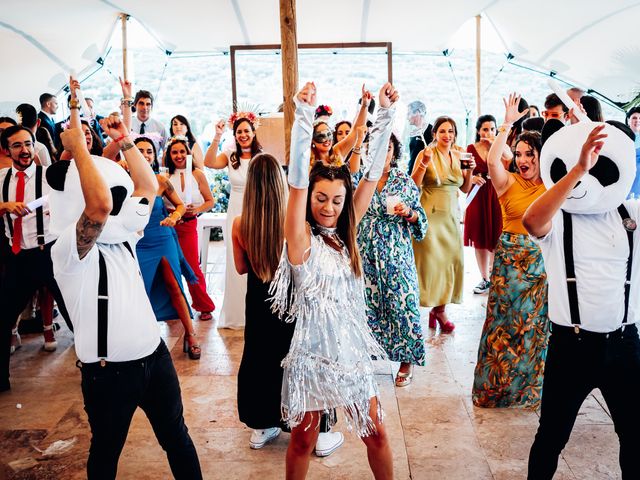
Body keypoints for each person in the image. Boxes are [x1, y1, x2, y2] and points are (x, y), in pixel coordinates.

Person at [47, 82, 202, 478]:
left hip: (155, 358)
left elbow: (148, 187)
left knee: (178, 438)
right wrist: (80, 149)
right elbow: (97, 207)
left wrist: (124, 140)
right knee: (106, 454)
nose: (119, 201)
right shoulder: (68, 249)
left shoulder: (125, 234)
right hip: (108, 373)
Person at [272, 81, 397, 479]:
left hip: (352, 356)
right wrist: (304, 117)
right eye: (321, 198)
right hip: (311, 357)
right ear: (310, 200)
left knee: (375, 433)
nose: (329, 207)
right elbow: (295, 183)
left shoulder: (347, 236)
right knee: (303, 442)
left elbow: (372, 179)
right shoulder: (301, 240)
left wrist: (385, 114)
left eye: (337, 200)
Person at [523, 117, 640, 479]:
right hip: (571, 346)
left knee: (635, 438)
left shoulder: (631, 214)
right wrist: (578, 169)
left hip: (625, 344)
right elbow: (531, 220)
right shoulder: (558, 221)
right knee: (552, 436)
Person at [232, 153, 343, 455]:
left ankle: (262, 425)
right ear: (281, 184)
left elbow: (241, 268)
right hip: (292, 301)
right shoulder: (295, 224)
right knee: (299, 360)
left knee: (259, 358)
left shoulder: (240, 224)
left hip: (259, 302)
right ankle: (317, 433)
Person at [471, 94, 549, 409]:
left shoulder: (552, 186)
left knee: (533, 329)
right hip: (509, 265)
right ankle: (494, 391)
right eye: (518, 154)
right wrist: (507, 124)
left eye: (530, 154)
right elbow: (492, 161)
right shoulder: (508, 183)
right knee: (502, 328)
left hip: (540, 264)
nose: (522, 160)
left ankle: (529, 391)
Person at [0, 125, 71, 391]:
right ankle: (1, 380)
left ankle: (97, 367)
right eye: (17, 145)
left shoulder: (48, 176)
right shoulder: (1, 179)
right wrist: (4, 206)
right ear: (7, 151)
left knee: (73, 312)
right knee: (4, 316)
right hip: (18, 258)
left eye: (28, 143)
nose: (25, 150)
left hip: (49, 255)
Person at [357, 132, 428, 387]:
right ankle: (364, 358)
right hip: (365, 252)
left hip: (396, 253)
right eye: (376, 147)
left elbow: (421, 219)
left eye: (387, 148)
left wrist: (408, 213)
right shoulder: (360, 179)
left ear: (394, 151)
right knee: (366, 305)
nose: (382, 152)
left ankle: (406, 361)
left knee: (402, 304)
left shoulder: (403, 180)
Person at [134, 136, 201, 360]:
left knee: (174, 284)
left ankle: (191, 335)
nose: (144, 155)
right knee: (140, 289)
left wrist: (174, 216)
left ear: (154, 156)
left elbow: (181, 205)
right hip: (138, 242)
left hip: (162, 236)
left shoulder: (160, 181)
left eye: (149, 151)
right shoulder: (124, 181)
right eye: (140, 150)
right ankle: (143, 338)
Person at [411, 116, 475, 333]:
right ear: (434, 134)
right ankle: (428, 307)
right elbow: (413, 184)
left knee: (450, 262)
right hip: (429, 213)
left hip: (451, 217)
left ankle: (439, 310)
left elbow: (466, 189)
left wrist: (471, 171)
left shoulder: (460, 154)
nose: (447, 135)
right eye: (443, 131)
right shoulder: (426, 153)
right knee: (432, 262)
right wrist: (423, 164)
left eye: (451, 131)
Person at [204, 114, 262, 329]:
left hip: (256, 209)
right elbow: (208, 162)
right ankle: (237, 315)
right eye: (239, 132)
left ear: (253, 132)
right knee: (235, 258)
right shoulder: (230, 156)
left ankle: (255, 311)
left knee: (255, 259)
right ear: (235, 135)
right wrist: (218, 136)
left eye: (247, 131)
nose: (243, 135)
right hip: (235, 208)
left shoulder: (261, 156)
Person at [164, 136, 215, 321]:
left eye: (182, 152)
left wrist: (198, 209)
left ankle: (204, 305)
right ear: (169, 155)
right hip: (169, 225)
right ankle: (175, 306)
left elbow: (211, 200)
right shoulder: (165, 176)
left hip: (188, 224)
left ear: (188, 154)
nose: (179, 155)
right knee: (170, 267)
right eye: (175, 152)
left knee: (192, 265)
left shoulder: (197, 174)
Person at [463, 114, 510, 294]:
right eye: (485, 129)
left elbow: (509, 157)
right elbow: (463, 174)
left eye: (492, 129)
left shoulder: (499, 148)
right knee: (480, 238)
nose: (489, 132)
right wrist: (472, 178)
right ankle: (483, 278)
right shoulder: (470, 148)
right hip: (478, 194)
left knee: (497, 234)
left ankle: (494, 275)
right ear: (478, 131)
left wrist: (495, 144)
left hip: (496, 194)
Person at [309, 86, 370, 174]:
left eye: (328, 134)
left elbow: (356, 131)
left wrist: (364, 106)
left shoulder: (337, 152)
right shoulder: (308, 162)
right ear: (312, 140)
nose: (326, 139)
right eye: (320, 136)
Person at [406, 100, 434, 175]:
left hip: (423, 175)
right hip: (411, 173)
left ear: (418, 112)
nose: (407, 117)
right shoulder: (413, 133)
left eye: (409, 113)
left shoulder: (431, 131)